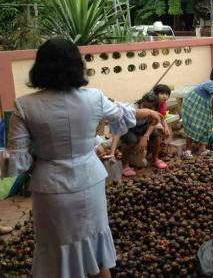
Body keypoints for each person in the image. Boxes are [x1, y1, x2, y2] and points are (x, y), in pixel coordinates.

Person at [3, 38, 161, 278]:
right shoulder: (93, 98)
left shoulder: (25, 106)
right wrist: (149, 112)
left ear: (40, 67)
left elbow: (18, 160)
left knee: (56, 250)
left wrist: (36, 158)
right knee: (94, 251)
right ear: (77, 66)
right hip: (89, 182)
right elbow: (123, 113)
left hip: (50, 188)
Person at [118, 92, 167, 177]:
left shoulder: (153, 112)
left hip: (143, 128)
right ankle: (125, 165)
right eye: (145, 107)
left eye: (150, 108)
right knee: (131, 140)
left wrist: (145, 136)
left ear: (154, 108)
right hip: (128, 128)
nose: (147, 110)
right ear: (141, 103)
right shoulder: (132, 110)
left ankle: (155, 159)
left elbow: (153, 123)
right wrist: (140, 138)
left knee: (155, 134)